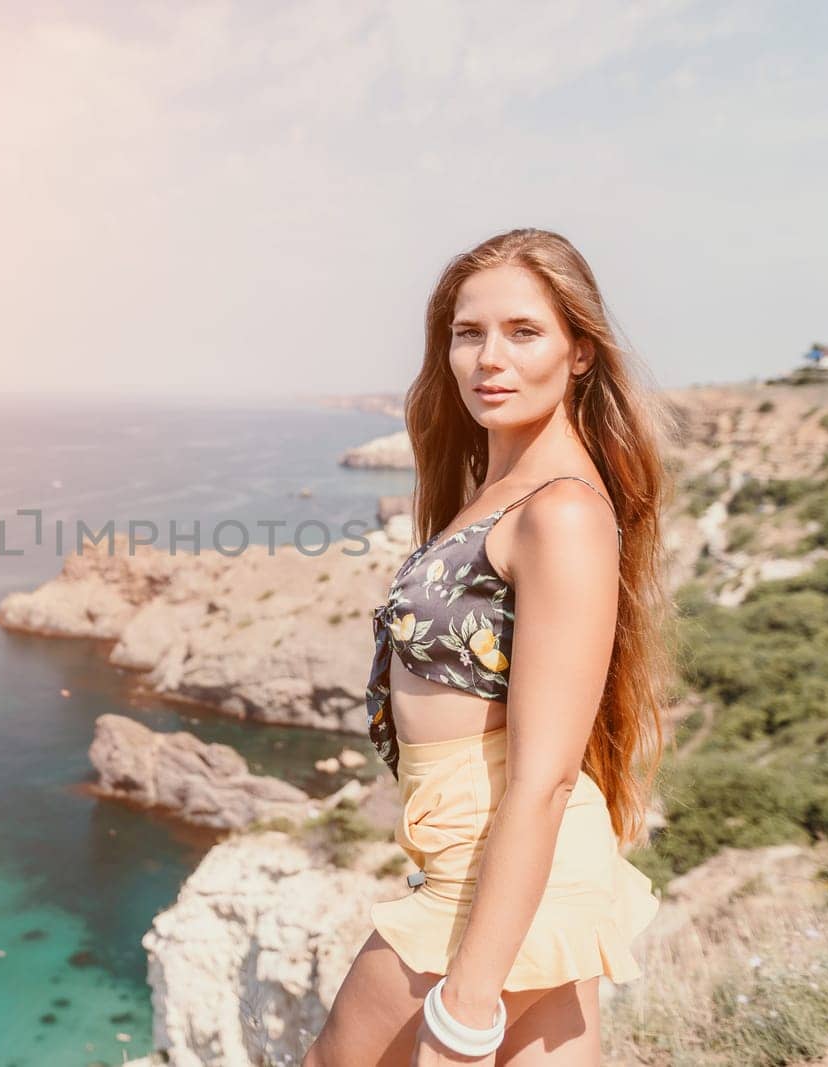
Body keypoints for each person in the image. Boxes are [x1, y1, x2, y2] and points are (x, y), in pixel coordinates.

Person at [302, 228, 674, 1066]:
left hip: (494, 869)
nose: (487, 359)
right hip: (502, 864)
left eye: (523, 331)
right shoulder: (497, 493)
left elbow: (543, 778)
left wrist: (466, 1007)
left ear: (580, 352)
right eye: (468, 333)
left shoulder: (563, 511)